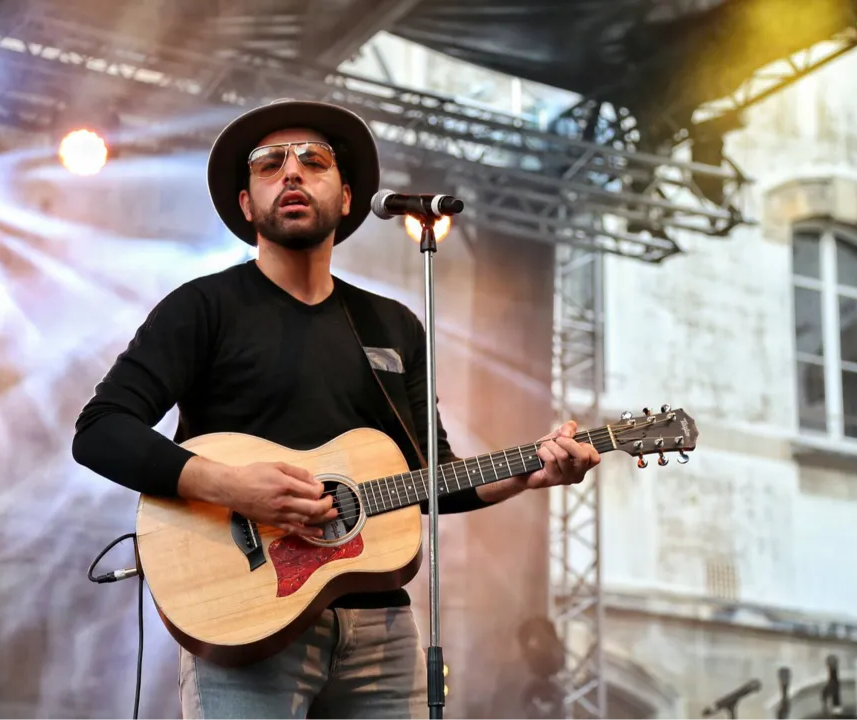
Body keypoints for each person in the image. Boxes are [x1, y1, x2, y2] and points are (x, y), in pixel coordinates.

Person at [71, 99, 600, 720]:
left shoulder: (393, 326)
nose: (291, 172)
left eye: (313, 160)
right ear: (246, 204)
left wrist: (531, 473)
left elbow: (434, 477)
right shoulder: (202, 308)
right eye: (268, 164)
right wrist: (234, 488)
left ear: (347, 198)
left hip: (381, 631)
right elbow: (100, 430)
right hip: (246, 624)